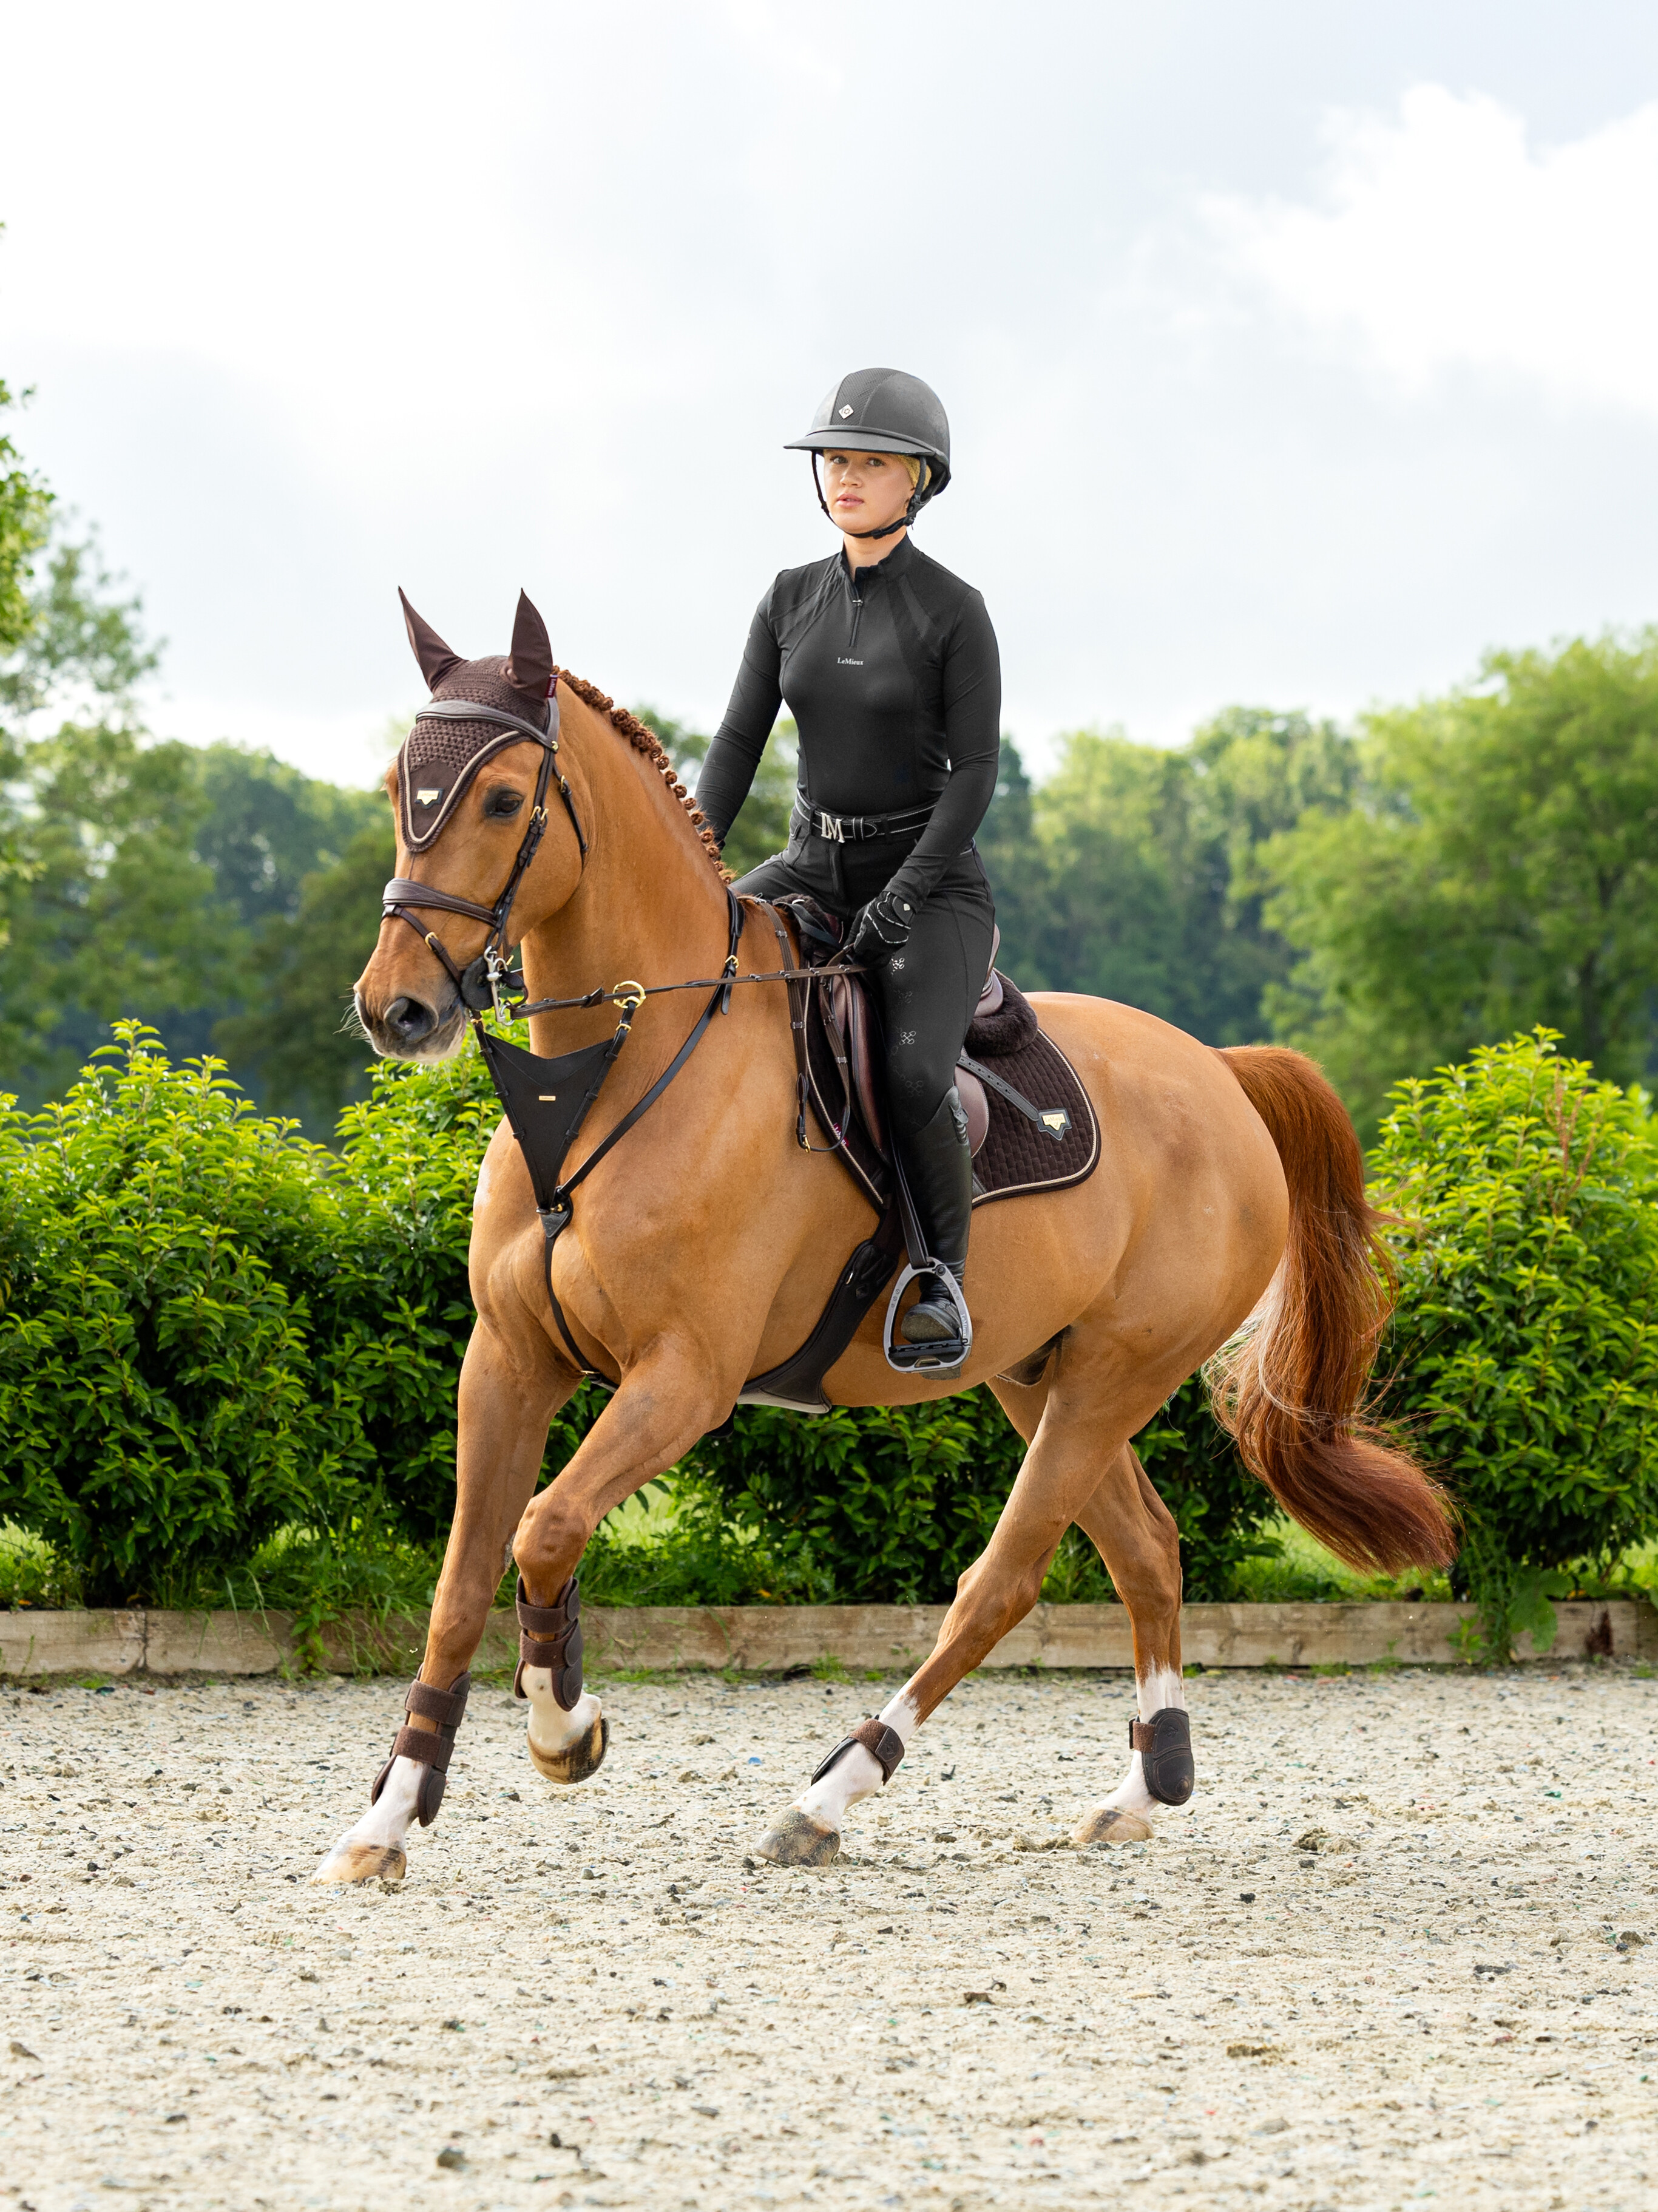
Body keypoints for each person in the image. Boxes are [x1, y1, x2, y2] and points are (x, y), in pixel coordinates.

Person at [695, 367, 1000, 1363]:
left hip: (931, 886)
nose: (847, 479)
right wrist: (701, 869)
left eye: (872, 464)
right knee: (690, 979)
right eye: (835, 462)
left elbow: (976, 773)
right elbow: (737, 750)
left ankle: (941, 1281)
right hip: (806, 867)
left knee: (914, 1073)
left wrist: (907, 892)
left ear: (920, 482)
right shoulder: (788, 600)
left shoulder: (956, 611)